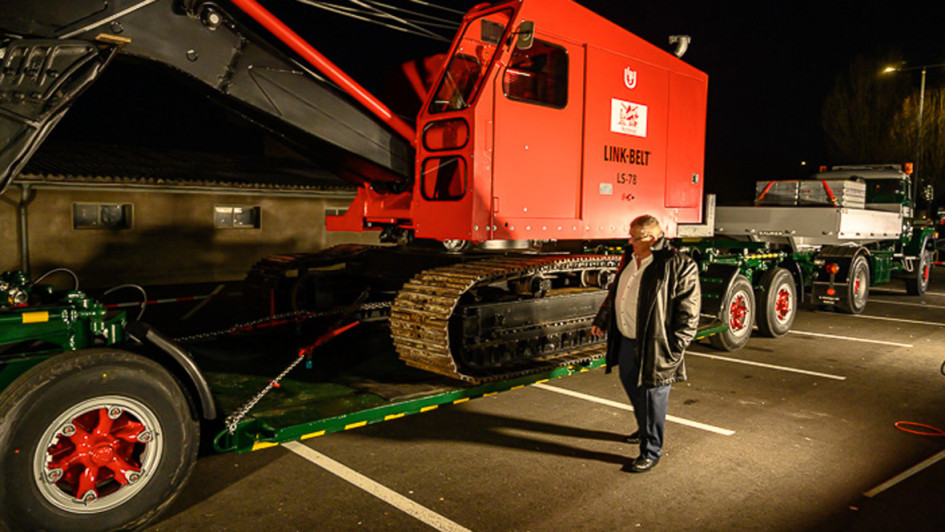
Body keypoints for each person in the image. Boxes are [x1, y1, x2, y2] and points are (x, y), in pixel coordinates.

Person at [590, 214, 700, 473]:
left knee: (653, 397)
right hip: (628, 340)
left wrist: (676, 346)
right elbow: (617, 291)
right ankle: (645, 427)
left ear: (652, 238)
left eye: (635, 238)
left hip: (657, 344)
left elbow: (689, 310)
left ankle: (651, 451)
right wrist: (603, 319)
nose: (630, 242)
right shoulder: (629, 258)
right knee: (631, 384)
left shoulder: (677, 264)